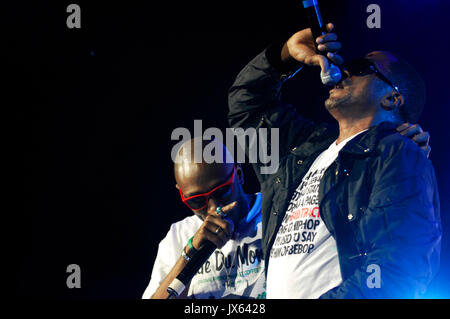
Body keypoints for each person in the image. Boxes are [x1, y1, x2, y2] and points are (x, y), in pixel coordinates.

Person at [227, 23, 441, 298]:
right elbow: (247, 107)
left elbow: (397, 268)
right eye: (350, 64)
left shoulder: (397, 153)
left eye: (363, 67)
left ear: (392, 98)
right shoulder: (298, 153)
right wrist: (285, 55)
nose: (345, 70)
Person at [142, 138, 266, 299]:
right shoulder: (178, 235)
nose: (214, 208)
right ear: (182, 194)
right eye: (197, 201)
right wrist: (190, 252)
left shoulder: (273, 213)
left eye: (222, 191)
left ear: (239, 174)